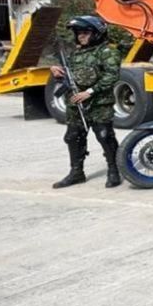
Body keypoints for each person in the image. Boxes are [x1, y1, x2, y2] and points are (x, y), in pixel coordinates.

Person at [50, 15, 121, 189]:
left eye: (85, 32)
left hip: (99, 103)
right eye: (78, 33)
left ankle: (114, 171)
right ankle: (76, 173)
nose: (81, 36)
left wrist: (89, 92)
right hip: (75, 103)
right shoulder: (75, 53)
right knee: (73, 137)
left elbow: (111, 76)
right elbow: (72, 75)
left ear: (96, 33)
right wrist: (57, 71)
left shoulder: (107, 52)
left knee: (105, 136)